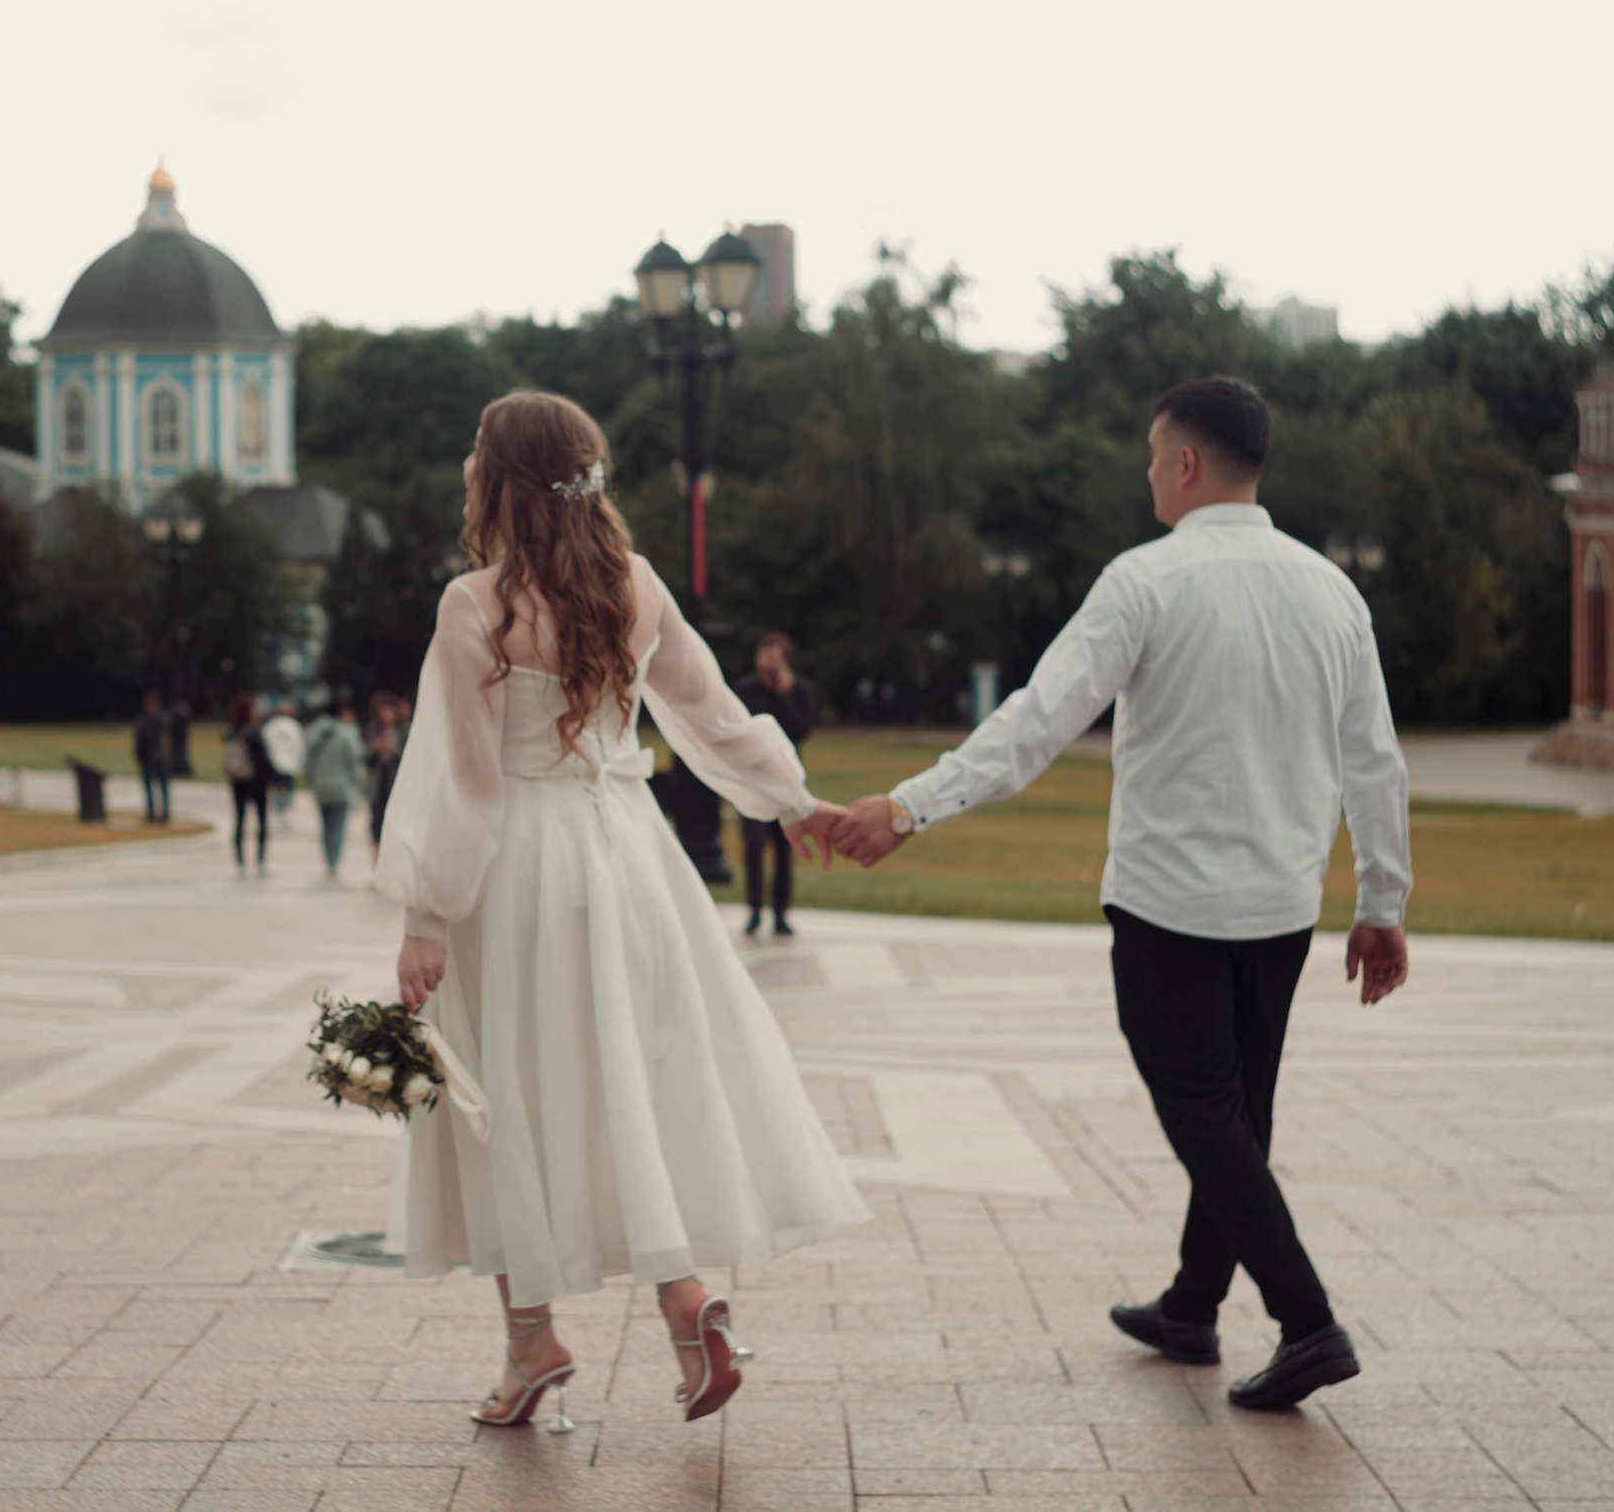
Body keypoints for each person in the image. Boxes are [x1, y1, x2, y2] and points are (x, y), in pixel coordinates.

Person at [828, 376, 1411, 1412]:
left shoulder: (1143, 582)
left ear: (1185, 463)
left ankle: (1307, 1322)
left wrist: (910, 808)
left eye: (1152, 455)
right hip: (1281, 907)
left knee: (1202, 1114)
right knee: (1236, 1116)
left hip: (1168, 908)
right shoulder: (1333, 590)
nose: (1148, 472)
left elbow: (1036, 720)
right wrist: (1380, 902)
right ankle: (1191, 1305)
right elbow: (1373, 760)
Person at [377, 391, 868, 1436]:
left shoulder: (475, 605)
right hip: (632, 860)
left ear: (503, 479)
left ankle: (531, 1343)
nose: (465, 462)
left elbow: (460, 782)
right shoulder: (637, 588)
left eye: (475, 448)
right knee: (638, 1078)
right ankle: (689, 1312)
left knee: (507, 1089)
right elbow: (714, 716)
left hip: (515, 869)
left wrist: (426, 913)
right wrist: (789, 800)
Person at [734, 632, 818, 938]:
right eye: (763, 655)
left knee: (786, 845)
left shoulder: (801, 690)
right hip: (755, 778)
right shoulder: (745, 689)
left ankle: (781, 912)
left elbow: (801, 729)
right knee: (754, 845)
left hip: (786, 778)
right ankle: (754, 909)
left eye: (773, 657)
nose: (766, 662)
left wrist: (784, 693)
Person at [302, 696, 367, 878]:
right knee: (337, 826)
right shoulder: (345, 734)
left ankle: (328, 858)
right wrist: (356, 784)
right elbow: (354, 761)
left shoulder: (314, 732)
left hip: (320, 787)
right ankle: (333, 861)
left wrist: (311, 781)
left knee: (325, 825)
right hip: (340, 788)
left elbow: (307, 761)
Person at [221, 693, 277, 874]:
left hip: (237, 779)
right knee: (261, 821)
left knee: (239, 819)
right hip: (257, 780)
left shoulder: (229, 732)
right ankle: (260, 860)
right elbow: (263, 758)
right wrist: (274, 776)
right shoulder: (254, 732)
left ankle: (240, 859)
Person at [364, 692, 408, 856]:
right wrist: (374, 749)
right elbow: (367, 761)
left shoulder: (404, 732)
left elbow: (410, 759)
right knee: (376, 830)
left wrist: (393, 750)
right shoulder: (375, 731)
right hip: (378, 787)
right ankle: (376, 869)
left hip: (397, 788)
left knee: (397, 831)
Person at [261, 698, 306, 830]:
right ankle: (286, 812)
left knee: (277, 789)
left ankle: (280, 813)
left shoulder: (270, 726)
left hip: (275, 763)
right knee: (288, 789)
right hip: (289, 764)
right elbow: (300, 746)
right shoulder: (294, 726)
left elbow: (265, 744)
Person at [132, 689, 176, 824]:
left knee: (163, 788)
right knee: (148, 789)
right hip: (146, 759)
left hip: (161, 759)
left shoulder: (162, 719)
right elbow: (139, 740)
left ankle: (165, 814)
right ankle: (151, 813)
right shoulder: (143, 720)